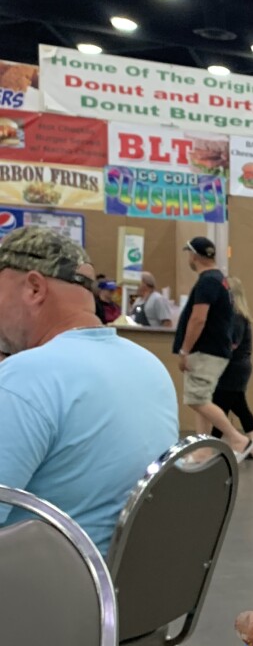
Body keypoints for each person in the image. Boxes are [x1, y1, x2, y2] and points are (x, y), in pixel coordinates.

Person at [0, 228, 177, 555]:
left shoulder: (24, 379)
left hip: (37, 596)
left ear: (35, 288)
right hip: (117, 592)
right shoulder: (150, 367)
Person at [172, 235, 249, 456]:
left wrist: (185, 350)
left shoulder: (208, 281)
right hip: (215, 350)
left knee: (196, 399)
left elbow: (198, 319)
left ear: (194, 255)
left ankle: (237, 439)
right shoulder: (220, 280)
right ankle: (202, 449)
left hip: (205, 351)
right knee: (202, 398)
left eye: (189, 253)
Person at [211, 277, 253, 460]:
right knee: (239, 406)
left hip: (234, 369)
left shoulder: (236, 316)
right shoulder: (235, 315)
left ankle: (210, 446)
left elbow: (231, 344)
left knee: (220, 407)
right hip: (236, 368)